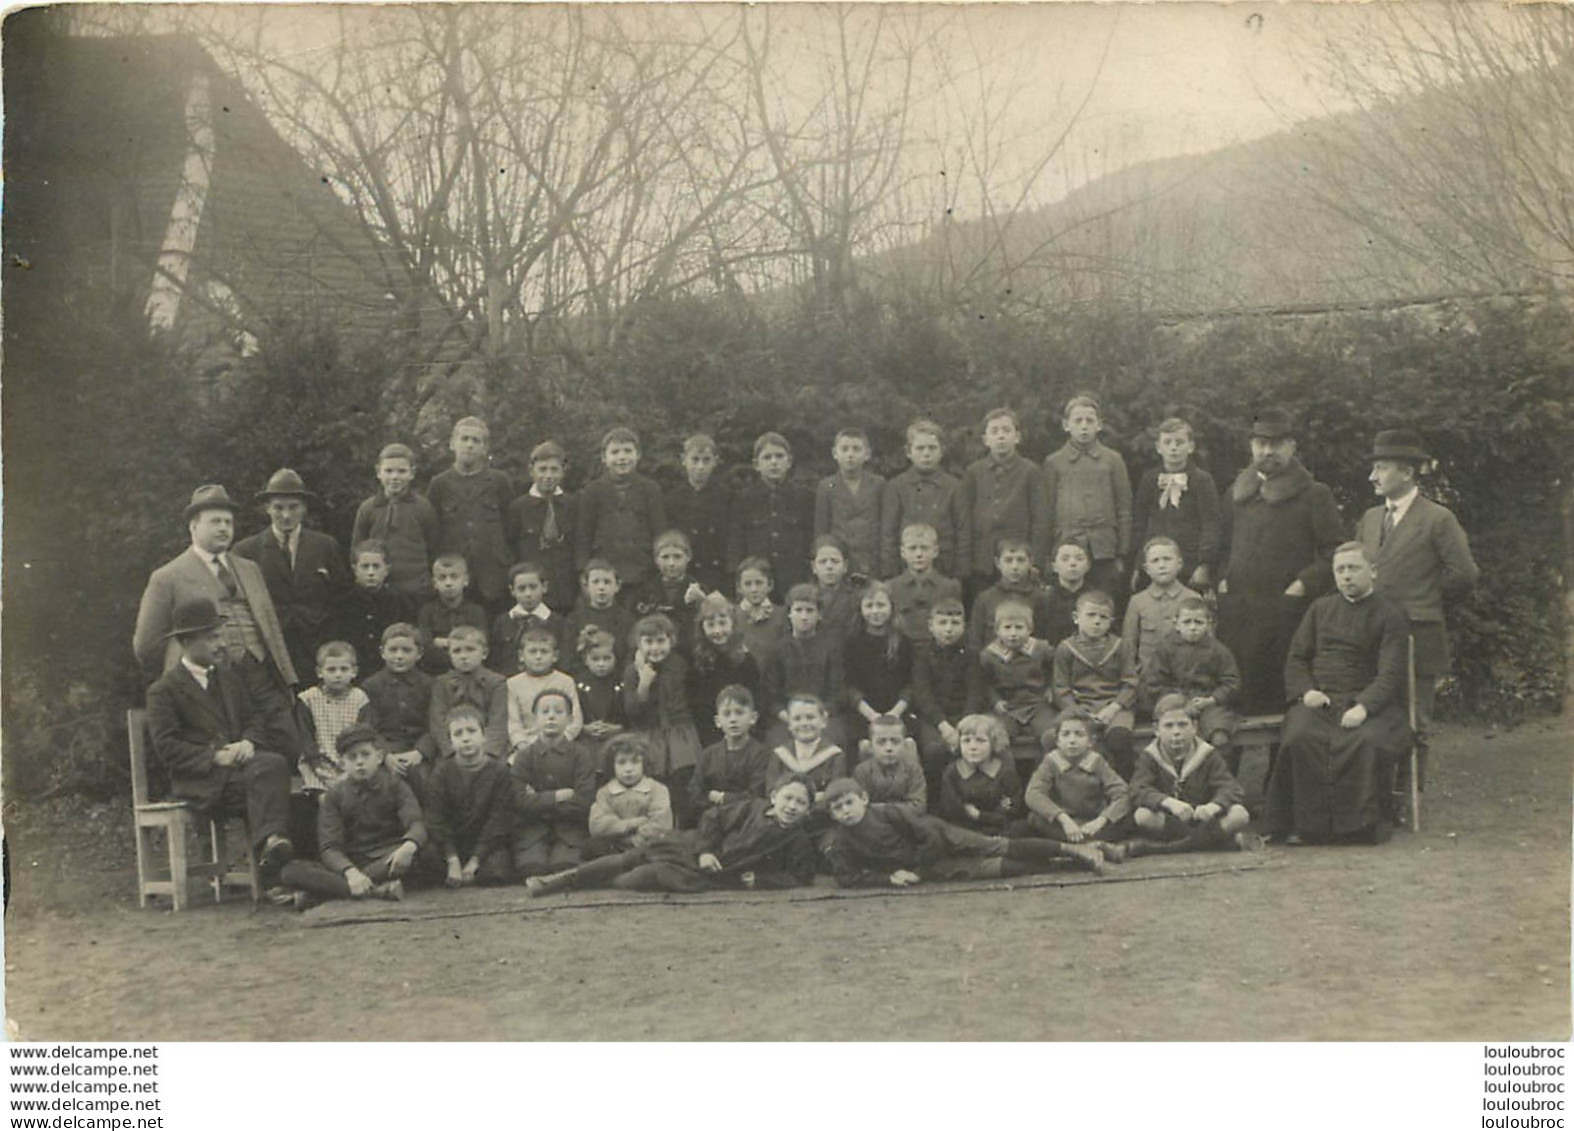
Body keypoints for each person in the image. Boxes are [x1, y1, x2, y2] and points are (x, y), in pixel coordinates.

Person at [133, 484, 302, 757]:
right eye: (215, 522)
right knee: (234, 763)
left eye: (228, 522)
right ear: (193, 527)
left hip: (261, 675)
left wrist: (285, 675)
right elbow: (146, 645)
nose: (223, 528)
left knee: (290, 748)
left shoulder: (249, 569)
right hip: (213, 684)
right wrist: (184, 674)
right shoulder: (168, 577)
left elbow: (271, 628)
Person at [1266, 543, 1413, 845]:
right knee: (1299, 737)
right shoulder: (1320, 608)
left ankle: (1359, 827)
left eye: (1353, 568)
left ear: (1372, 571)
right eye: (1340, 570)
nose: (1346, 576)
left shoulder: (1390, 614)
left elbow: (1390, 673)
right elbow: (1296, 658)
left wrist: (1364, 707)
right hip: (1321, 700)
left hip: (1372, 703)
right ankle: (1304, 826)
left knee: (1364, 741)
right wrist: (1306, 691)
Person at [144, 596, 296, 887]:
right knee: (267, 779)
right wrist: (215, 756)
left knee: (274, 766)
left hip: (239, 775)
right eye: (212, 637)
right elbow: (166, 747)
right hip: (200, 781)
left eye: (221, 636)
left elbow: (254, 720)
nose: (222, 644)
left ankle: (274, 849)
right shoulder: (164, 690)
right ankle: (273, 870)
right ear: (186, 642)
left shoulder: (229, 679)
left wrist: (249, 742)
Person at [1354, 429, 1480, 759]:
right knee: (1373, 716)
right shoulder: (1370, 519)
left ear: (1408, 472)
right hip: (1372, 635)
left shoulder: (1438, 518)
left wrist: (1426, 598)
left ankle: (1410, 805)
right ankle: (1379, 796)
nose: (1372, 476)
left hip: (1418, 636)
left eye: (1381, 467)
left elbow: (1464, 575)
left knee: (1414, 721)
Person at [1217, 407, 1345, 712]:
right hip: (1239, 613)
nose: (1267, 451)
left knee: (1282, 703)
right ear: (1251, 447)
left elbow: (1334, 553)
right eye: (1261, 444)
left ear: (1291, 447)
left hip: (1285, 617)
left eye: (1276, 445)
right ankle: (1230, 762)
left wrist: (1301, 585)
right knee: (1235, 700)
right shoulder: (1235, 494)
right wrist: (1223, 579)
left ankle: (1282, 760)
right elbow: (1220, 547)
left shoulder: (1315, 494)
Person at [524, 776, 818, 895]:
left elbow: (801, 875)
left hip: (717, 874)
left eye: (800, 803)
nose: (791, 807)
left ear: (807, 810)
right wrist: (705, 850)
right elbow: (712, 817)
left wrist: (762, 881)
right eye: (788, 798)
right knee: (632, 857)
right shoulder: (751, 808)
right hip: (694, 851)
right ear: (775, 795)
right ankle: (561, 881)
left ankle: (594, 883)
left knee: (640, 877)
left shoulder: (797, 839)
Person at [825, 778, 1101, 888]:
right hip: (928, 867)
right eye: (838, 809)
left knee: (996, 845)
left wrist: (917, 868)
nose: (846, 811)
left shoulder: (890, 812)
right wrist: (888, 877)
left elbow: (929, 836)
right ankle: (1066, 864)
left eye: (849, 802)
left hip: (942, 839)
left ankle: (1073, 849)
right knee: (992, 869)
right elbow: (845, 876)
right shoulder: (841, 840)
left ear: (863, 798)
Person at [280, 723, 425, 908]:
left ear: (379, 757)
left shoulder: (395, 786)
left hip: (388, 857)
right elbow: (329, 847)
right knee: (290, 871)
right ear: (342, 763)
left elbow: (416, 823)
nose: (359, 762)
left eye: (365, 754)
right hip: (353, 861)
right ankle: (377, 891)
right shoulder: (334, 796)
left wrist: (409, 846)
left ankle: (324, 894)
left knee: (424, 855)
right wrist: (350, 872)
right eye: (352, 757)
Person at [233, 468, 351, 683]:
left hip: (316, 650)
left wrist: (330, 645)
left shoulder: (325, 546)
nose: (286, 515)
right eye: (278, 507)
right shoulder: (247, 551)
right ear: (267, 508)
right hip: (271, 651)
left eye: (293, 507)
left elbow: (340, 599)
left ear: (304, 508)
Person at [1128, 694, 1254, 856]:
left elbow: (1231, 788)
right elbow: (1137, 790)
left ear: (1194, 727)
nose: (1176, 732)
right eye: (1168, 726)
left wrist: (1214, 806)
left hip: (1204, 820)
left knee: (1239, 814)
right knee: (1143, 815)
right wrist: (1168, 802)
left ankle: (1165, 848)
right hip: (1171, 822)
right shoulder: (1150, 756)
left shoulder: (1207, 754)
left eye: (1182, 725)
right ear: (1156, 730)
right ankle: (1215, 842)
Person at [1041, 393, 1132, 601]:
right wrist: (1046, 555)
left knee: (1103, 601)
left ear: (1099, 425)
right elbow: (1046, 512)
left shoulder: (1113, 460)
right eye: (1078, 420)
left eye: (1089, 421)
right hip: (1066, 546)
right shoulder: (1054, 462)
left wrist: (1121, 553)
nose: (1084, 426)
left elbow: (1124, 509)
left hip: (1104, 549)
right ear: (1066, 425)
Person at [427, 417, 518, 611]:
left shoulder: (499, 481)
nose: (469, 445)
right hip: (455, 576)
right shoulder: (439, 484)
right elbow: (433, 531)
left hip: (493, 575)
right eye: (464, 439)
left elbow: (511, 528)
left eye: (476, 441)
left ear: (485, 448)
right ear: (452, 444)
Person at [421, 706, 515, 887]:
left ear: (484, 735)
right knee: (426, 861)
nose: (466, 738)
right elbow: (435, 818)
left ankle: (472, 870)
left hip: (486, 845)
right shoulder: (441, 773)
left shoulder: (499, 771)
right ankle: (457, 870)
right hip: (452, 844)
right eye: (458, 734)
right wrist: (452, 859)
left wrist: (475, 860)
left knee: (497, 872)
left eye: (471, 731)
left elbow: (499, 819)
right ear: (450, 741)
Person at [622, 613, 702, 824]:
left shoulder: (680, 665)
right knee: (654, 781)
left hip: (679, 730)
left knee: (682, 781)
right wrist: (644, 683)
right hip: (649, 733)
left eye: (661, 641)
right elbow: (632, 711)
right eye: (649, 642)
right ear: (639, 644)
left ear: (671, 641)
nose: (655, 648)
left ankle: (683, 826)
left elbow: (691, 699)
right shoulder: (632, 671)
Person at [510, 688, 597, 877]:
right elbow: (517, 800)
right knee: (531, 868)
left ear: (569, 719)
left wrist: (537, 800)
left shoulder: (581, 754)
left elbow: (583, 801)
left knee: (565, 867)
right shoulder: (524, 756)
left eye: (558, 712)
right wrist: (557, 797)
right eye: (545, 711)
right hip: (533, 830)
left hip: (570, 830)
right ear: (535, 718)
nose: (551, 717)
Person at [1052, 590, 1138, 779]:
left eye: (1103, 617)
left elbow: (1130, 682)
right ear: (1076, 617)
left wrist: (1114, 707)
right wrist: (1078, 712)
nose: (1097, 621)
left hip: (1115, 706)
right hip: (1080, 707)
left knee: (1119, 739)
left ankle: (1126, 788)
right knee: (1074, 739)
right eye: (1091, 615)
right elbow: (1061, 688)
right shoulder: (1066, 648)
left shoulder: (1120, 646)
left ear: (1111, 621)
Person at [961, 407, 1045, 601]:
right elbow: (964, 519)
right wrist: (966, 562)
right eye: (995, 431)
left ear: (1017, 437)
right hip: (982, 560)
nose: (1001, 437)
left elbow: (1041, 519)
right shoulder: (974, 472)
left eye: (1006, 431)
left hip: (1018, 560)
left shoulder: (1030, 471)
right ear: (985, 439)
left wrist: (1037, 561)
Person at [1022, 714, 1131, 862]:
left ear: (1090, 742)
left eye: (1079, 734)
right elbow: (1033, 793)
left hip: (1092, 824)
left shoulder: (1097, 761)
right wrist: (1063, 818)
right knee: (1034, 819)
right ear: (1058, 741)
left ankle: (1078, 848)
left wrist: (1101, 820)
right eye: (1065, 735)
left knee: (1125, 817)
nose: (1072, 740)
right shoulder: (1051, 762)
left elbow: (1122, 792)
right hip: (1064, 825)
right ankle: (1094, 847)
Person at [1130, 416, 1222, 592]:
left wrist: (1204, 565)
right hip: (1155, 565)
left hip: (1189, 565)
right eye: (1168, 442)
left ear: (1191, 446)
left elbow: (1211, 524)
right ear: (1158, 447)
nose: (1173, 448)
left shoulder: (1202, 480)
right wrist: (1137, 565)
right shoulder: (1150, 479)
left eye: (1179, 442)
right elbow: (1140, 524)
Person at [574, 426, 667, 595]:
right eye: (615, 452)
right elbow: (584, 535)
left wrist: (658, 569)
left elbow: (659, 531)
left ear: (638, 455)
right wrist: (584, 570)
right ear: (604, 457)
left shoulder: (651, 489)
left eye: (627, 451)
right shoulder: (592, 491)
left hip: (642, 570)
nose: (622, 457)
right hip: (605, 573)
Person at [1145, 597, 1241, 760]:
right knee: (1176, 737)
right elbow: (1154, 683)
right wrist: (1178, 702)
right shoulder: (1165, 648)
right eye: (1187, 622)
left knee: (1219, 737)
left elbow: (1231, 682)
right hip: (1174, 705)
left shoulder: (1218, 650)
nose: (1193, 627)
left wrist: (1211, 699)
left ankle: (1220, 780)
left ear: (1208, 623)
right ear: (1176, 623)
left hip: (1208, 705)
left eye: (1198, 622)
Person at [351, 442, 441, 600]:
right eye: (389, 471)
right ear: (378, 472)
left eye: (401, 471)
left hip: (416, 590)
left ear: (412, 473)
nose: (395, 477)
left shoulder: (422, 507)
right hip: (380, 590)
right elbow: (357, 549)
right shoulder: (368, 508)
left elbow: (434, 549)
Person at [729, 431, 814, 596]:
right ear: (756, 464)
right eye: (767, 458)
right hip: (757, 582)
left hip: (794, 579)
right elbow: (736, 543)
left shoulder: (804, 496)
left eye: (779, 456)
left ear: (789, 461)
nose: (774, 462)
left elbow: (810, 539)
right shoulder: (744, 498)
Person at [760, 583, 846, 746]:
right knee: (777, 741)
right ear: (789, 614)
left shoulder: (830, 648)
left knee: (834, 738)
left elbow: (837, 692)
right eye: (798, 610)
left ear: (819, 614)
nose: (804, 616)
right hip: (787, 718)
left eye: (810, 610)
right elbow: (770, 695)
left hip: (822, 717)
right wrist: (790, 717)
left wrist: (817, 716)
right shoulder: (777, 649)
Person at [910, 596, 976, 806]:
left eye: (955, 623)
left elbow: (976, 693)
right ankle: (937, 805)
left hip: (965, 718)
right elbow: (923, 696)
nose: (949, 629)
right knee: (934, 750)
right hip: (934, 719)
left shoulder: (972, 656)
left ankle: (972, 801)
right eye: (942, 623)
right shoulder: (922, 656)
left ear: (964, 626)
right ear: (931, 625)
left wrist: (963, 725)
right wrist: (944, 726)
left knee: (976, 747)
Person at [882, 418, 967, 580]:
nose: (926, 453)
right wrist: (890, 572)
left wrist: (961, 572)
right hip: (905, 569)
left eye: (932, 448)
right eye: (920, 448)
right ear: (908, 452)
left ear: (942, 451)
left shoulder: (954, 486)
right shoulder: (896, 486)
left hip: (945, 568)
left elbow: (963, 532)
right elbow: (888, 532)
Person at [973, 598, 1056, 755]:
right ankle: (1006, 775)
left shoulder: (1041, 649)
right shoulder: (989, 655)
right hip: (1008, 706)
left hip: (1036, 703)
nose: (1013, 633)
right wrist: (995, 699)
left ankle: (1045, 773)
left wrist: (1050, 688)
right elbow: (985, 682)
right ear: (997, 630)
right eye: (1007, 627)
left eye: (1019, 627)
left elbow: (1055, 669)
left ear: (1030, 629)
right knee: (1000, 736)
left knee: (1049, 735)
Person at [361, 623, 437, 788]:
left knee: (427, 780)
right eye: (393, 650)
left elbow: (435, 724)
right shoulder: (372, 685)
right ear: (382, 652)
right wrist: (386, 755)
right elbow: (369, 727)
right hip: (385, 749)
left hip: (418, 748)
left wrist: (421, 752)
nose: (399, 656)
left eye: (406, 650)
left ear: (419, 653)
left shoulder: (429, 685)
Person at [507, 440, 577, 614]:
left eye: (554, 469)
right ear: (531, 471)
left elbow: (579, 545)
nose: (548, 475)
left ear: (563, 472)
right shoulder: (518, 507)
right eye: (542, 469)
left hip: (566, 589)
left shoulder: (573, 505)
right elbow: (511, 548)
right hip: (530, 591)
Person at [325, 540, 411, 679]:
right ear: (355, 569)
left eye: (376, 566)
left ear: (387, 569)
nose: (371, 572)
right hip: (351, 674)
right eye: (365, 567)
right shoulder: (341, 603)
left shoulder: (399, 602)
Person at [296, 641, 371, 794]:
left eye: (344, 669)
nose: (338, 674)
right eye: (331, 669)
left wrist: (348, 768)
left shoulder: (360, 698)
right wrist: (318, 766)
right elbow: (306, 738)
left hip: (352, 761)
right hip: (317, 763)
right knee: (325, 800)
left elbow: (363, 736)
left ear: (354, 672)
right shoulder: (308, 698)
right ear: (319, 672)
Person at [843, 579, 913, 743]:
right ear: (860, 609)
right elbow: (849, 685)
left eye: (881, 605)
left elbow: (911, 683)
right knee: (861, 743)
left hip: (898, 711)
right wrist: (872, 716)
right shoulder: (851, 643)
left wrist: (894, 714)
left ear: (891, 607)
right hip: (864, 713)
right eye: (869, 606)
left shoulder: (904, 642)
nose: (875, 611)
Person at [688, 594, 762, 748]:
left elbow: (755, 697)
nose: (717, 630)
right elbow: (694, 700)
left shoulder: (744, 659)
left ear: (733, 624)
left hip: (740, 726)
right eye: (710, 625)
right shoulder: (696, 660)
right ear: (701, 627)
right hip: (707, 728)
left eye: (722, 623)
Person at [814, 426, 888, 580]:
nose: (850, 454)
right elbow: (822, 530)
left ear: (867, 454)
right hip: (840, 563)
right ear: (835, 453)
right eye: (845, 449)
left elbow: (885, 527)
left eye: (856, 449)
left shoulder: (878, 484)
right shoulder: (826, 486)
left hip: (872, 561)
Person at [689, 685, 772, 819]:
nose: (733, 719)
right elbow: (695, 793)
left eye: (739, 713)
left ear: (753, 718)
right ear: (718, 721)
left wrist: (723, 798)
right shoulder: (708, 755)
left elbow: (756, 795)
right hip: (711, 819)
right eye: (726, 714)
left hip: (747, 822)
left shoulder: (761, 755)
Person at [585, 733, 675, 857]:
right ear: (612, 765)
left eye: (635, 762)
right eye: (621, 763)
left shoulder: (657, 789)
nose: (628, 769)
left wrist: (634, 840)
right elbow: (598, 825)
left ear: (644, 763)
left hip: (646, 847)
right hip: (613, 849)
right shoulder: (605, 792)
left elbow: (661, 825)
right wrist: (633, 824)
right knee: (594, 847)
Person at [665, 433, 733, 594]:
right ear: (683, 460)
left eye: (706, 460)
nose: (700, 467)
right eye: (695, 460)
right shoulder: (673, 498)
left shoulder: (727, 496)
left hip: (718, 572)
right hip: (686, 572)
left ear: (715, 461)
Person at [1121, 536, 1200, 674]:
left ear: (1179, 563)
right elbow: (1129, 646)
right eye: (1155, 561)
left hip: (1185, 678)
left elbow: (1206, 646)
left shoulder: (1193, 598)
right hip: (1147, 679)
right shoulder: (1137, 601)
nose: (1162, 565)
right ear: (1146, 568)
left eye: (1167, 559)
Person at [429, 625, 509, 760]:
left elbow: (498, 723)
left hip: (486, 750)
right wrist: (451, 752)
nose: (464, 656)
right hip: (453, 749)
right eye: (457, 651)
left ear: (484, 653)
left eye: (470, 650)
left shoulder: (496, 683)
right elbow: (437, 722)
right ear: (449, 655)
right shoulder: (442, 683)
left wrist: (487, 754)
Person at [938, 713, 1024, 833]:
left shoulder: (1005, 772)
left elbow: (1009, 810)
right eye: (966, 741)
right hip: (962, 832)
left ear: (993, 743)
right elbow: (951, 811)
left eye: (980, 740)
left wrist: (979, 815)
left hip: (999, 830)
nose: (973, 747)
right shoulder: (952, 772)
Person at [505, 625, 584, 752]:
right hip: (527, 746)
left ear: (555, 656)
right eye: (532, 651)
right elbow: (513, 722)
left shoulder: (565, 681)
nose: (538, 657)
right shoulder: (513, 683)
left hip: (561, 744)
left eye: (544, 651)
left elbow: (575, 720)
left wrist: (560, 741)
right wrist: (521, 743)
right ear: (521, 655)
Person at [628, 530, 707, 653]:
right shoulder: (644, 593)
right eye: (665, 557)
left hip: (689, 654)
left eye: (677, 557)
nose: (671, 563)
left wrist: (703, 602)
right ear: (656, 559)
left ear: (688, 557)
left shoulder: (700, 591)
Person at [966, 537, 1050, 653]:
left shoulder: (1040, 598)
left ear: (1030, 562)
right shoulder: (985, 599)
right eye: (1008, 560)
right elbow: (975, 642)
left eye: (1020, 560)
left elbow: (1045, 640)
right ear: (997, 563)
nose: (1014, 567)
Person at [887, 522, 963, 648]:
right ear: (902, 552)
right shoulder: (891, 587)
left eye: (924, 548)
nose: (918, 554)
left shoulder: (950, 587)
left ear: (935, 551)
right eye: (912, 548)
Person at [416, 554, 489, 675]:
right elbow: (425, 648)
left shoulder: (476, 611)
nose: (448, 583)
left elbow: (481, 644)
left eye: (454, 577)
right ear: (434, 583)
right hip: (435, 672)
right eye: (442, 578)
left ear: (465, 580)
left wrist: (442, 642)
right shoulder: (427, 611)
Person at [491, 561, 567, 677]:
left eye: (533, 587)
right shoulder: (503, 622)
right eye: (521, 589)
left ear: (544, 587)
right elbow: (496, 660)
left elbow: (563, 661)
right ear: (512, 591)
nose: (528, 594)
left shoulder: (557, 622)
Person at [573, 626, 627, 772]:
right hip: (586, 737)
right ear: (586, 660)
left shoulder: (622, 682)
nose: (601, 664)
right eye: (595, 659)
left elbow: (630, 713)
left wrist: (617, 727)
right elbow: (571, 713)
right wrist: (584, 728)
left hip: (617, 735)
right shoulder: (578, 683)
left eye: (607, 658)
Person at [563, 559, 635, 667]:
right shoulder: (574, 619)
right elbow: (567, 657)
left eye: (607, 582)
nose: (601, 587)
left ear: (617, 586)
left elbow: (629, 657)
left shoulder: (627, 619)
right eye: (595, 582)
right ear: (586, 586)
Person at [852, 715, 927, 814]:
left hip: (909, 823)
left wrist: (880, 808)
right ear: (871, 746)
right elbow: (861, 807)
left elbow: (919, 807)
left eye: (895, 742)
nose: (888, 748)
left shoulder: (913, 769)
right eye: (881, 742)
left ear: (904, 745)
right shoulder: (862, 771)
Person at [732, 557, 787, 670]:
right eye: (748, 584)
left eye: (759, 583)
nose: (754, 589)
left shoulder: (783, 615)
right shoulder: (732, 616)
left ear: (770, 585)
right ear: (739, 587)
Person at [1041, 534, 1092, 647]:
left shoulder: (1095, 599)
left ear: (1088, 565)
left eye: (1079, 559)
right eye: (1065, 559)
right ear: (1054, 566)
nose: (1072, 563)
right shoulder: (1044, 599)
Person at [808, 534, 859, 647]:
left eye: (835, 561)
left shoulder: (856, 598)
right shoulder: (805, 597)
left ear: (845, 566)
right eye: (823, 562)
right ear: (813, 567)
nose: (829, 566)